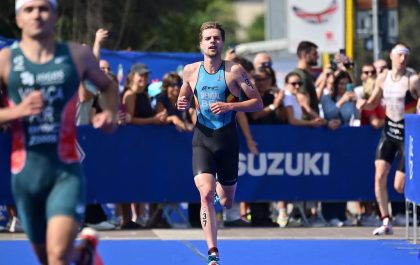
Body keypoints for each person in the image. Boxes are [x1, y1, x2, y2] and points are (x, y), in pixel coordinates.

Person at [0, 1, 119, 264]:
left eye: (43, 8)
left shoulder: (77, 55)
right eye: (29, 9)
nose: (37, 15)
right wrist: (15, 111)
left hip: (65, 171)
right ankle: (86, 254)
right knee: (49, 258)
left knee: (57, 258)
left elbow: (108, 88)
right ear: (18, 18)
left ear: (55, 15)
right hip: (26, 174)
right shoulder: (6, 60)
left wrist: (110, 114)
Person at [177, 21, 263, 265]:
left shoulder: (234, 71)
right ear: (201, 43)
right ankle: (213, 252)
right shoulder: (190, 70)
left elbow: (257, 103)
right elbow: (184, 95)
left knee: (226, 201)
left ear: (222, 42)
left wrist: (230, 106)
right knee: (205, 194)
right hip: (202, 138)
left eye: (216, 38)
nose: (212, 41)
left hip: (227, 140)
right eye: (208, 38)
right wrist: (181, 103)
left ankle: (219, 195)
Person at [357, 42, 420, 235]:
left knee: (400, 186)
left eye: (406, 55)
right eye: (399, 55)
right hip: (389, 130)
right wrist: (363, 104)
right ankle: (385, 220)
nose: (402, 59)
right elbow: (374, 102)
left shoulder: (413, 79)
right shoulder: (383, 78)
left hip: (407, 132)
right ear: (391, 56)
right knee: (379, 176)